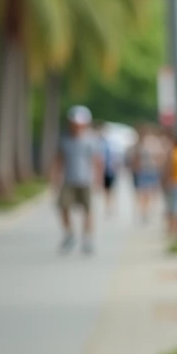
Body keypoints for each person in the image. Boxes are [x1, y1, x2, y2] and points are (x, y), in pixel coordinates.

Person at [53, 105, 103, 254]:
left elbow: (97, 161)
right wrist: (55, 178)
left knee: (87, 210)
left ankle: (87, 238)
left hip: (85, 180)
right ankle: (69, 234)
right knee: (63, 207)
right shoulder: (64, 139)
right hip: (68, 180)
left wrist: (98, 180)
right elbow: (59, 160)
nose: (77, 126)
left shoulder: (91, 139)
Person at [128, 124, 166, 225]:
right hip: (147, 171)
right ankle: (145, 211)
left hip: (148, 171)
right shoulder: (146, 143)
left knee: (146, 192)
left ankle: (145, 210)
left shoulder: (145, 144)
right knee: (146, 192)